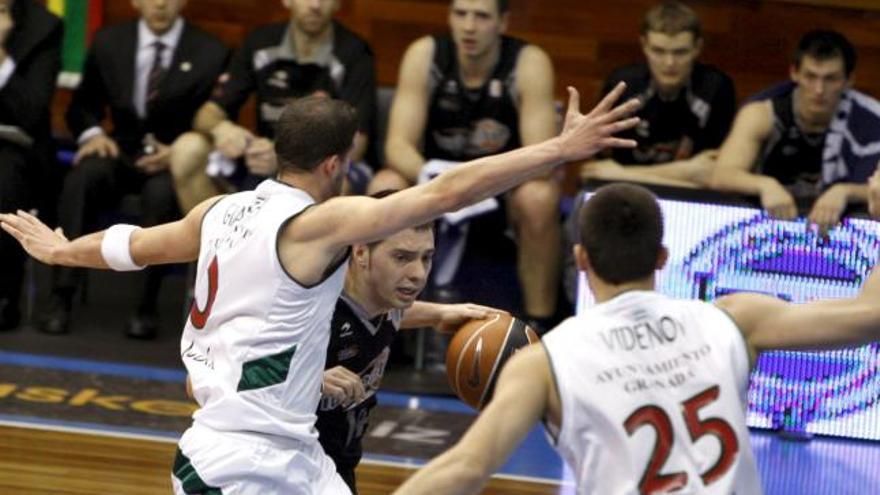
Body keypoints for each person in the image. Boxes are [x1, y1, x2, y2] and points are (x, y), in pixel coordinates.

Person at [1, 83, 640, 493]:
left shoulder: (217, 213)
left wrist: (60, 250)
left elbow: (129, 245)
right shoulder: (317, 225)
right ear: (336, 164)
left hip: (295, 457)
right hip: (240, 463)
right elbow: (448, 191)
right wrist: (559, 147)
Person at [393, 183, 880, 495]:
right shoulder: (735, 319)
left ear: (580, 260)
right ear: (663, 256)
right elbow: (869, 316)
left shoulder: (545, 362)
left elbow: (464, 470)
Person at [42, 0, 230, 338]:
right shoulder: (110, 42)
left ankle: (146, 306)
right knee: (81, 178)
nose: (160, 3)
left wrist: (180, 150)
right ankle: (62, 295)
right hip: (120, 150)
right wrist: (94, 134)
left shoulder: (210, 51)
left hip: (172, 158)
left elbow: (217, 118)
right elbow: (81, 107)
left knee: (161, 196)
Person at [371, 0, 561, 331]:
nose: (469, 26)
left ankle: (539, 324)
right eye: (461, 14)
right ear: (450, 17)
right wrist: (438, 182)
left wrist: (479, 184)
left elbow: (542, 159)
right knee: (384, 184)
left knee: (539, 197)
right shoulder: (426, 55)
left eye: (481, 16)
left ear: (502, 22)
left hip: (500, 189)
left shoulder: (529, 63)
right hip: (433, 183)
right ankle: (375, 318)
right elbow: (397, 146)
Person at [169, 0, 377, 212]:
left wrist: (284, 160)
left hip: (323, 161)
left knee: (336, 182)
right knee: (188, 149)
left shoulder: (355, 52)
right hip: (261, 155)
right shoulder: (260, 42)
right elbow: (208, 113)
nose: (315, 5)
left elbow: (356, 145)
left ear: (338, 3)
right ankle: (216, 242)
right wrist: (222, 129)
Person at [710, 30, 880, 235]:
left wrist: (845, 192)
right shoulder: (762, 113)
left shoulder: (872, 119)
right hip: (763, 229)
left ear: (849, 80)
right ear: (794, 73)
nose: (819, 89)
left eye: (831, 79)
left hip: (842, 235)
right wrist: (765, 185)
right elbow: (721, 175)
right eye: (811, 76)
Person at [580, 1, 735, 189]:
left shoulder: (716, 88)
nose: (669, 63)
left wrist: (622, 174)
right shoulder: (622, 84)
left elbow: (713, 175)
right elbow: (594, 171)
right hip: (626, 193)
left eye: (680, 52)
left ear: (697, 47)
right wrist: (686, 172)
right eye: (658, 51)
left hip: (691, 201)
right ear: (644, 45)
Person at [0, 0, 62, 330]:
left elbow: (32, 112)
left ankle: (4, 295)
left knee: (4, 178)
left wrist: (0, 58)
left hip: (17, 147)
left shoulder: (43, 27)